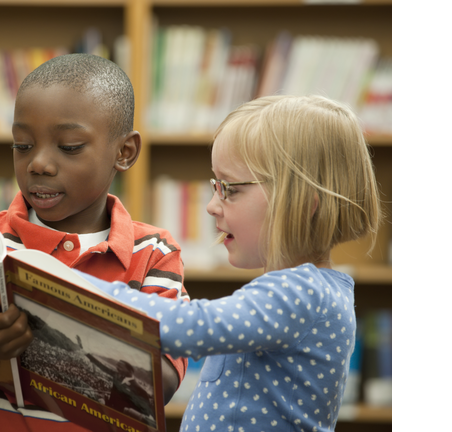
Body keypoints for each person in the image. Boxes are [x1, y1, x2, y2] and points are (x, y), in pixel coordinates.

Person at [0, 53, 191, 431]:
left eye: (69, 147)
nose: (38, 163)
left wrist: (60, 338)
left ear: (124, 152)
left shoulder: (153, 255)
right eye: (22, 145)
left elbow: (160, 387)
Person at [77, 94, 382, 432]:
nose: (211, 206)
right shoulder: (310, 291)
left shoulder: (301, 293)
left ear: (300, 203)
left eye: (230, 189)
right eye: (214, 186)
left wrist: (76, 286)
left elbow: (189, 326)